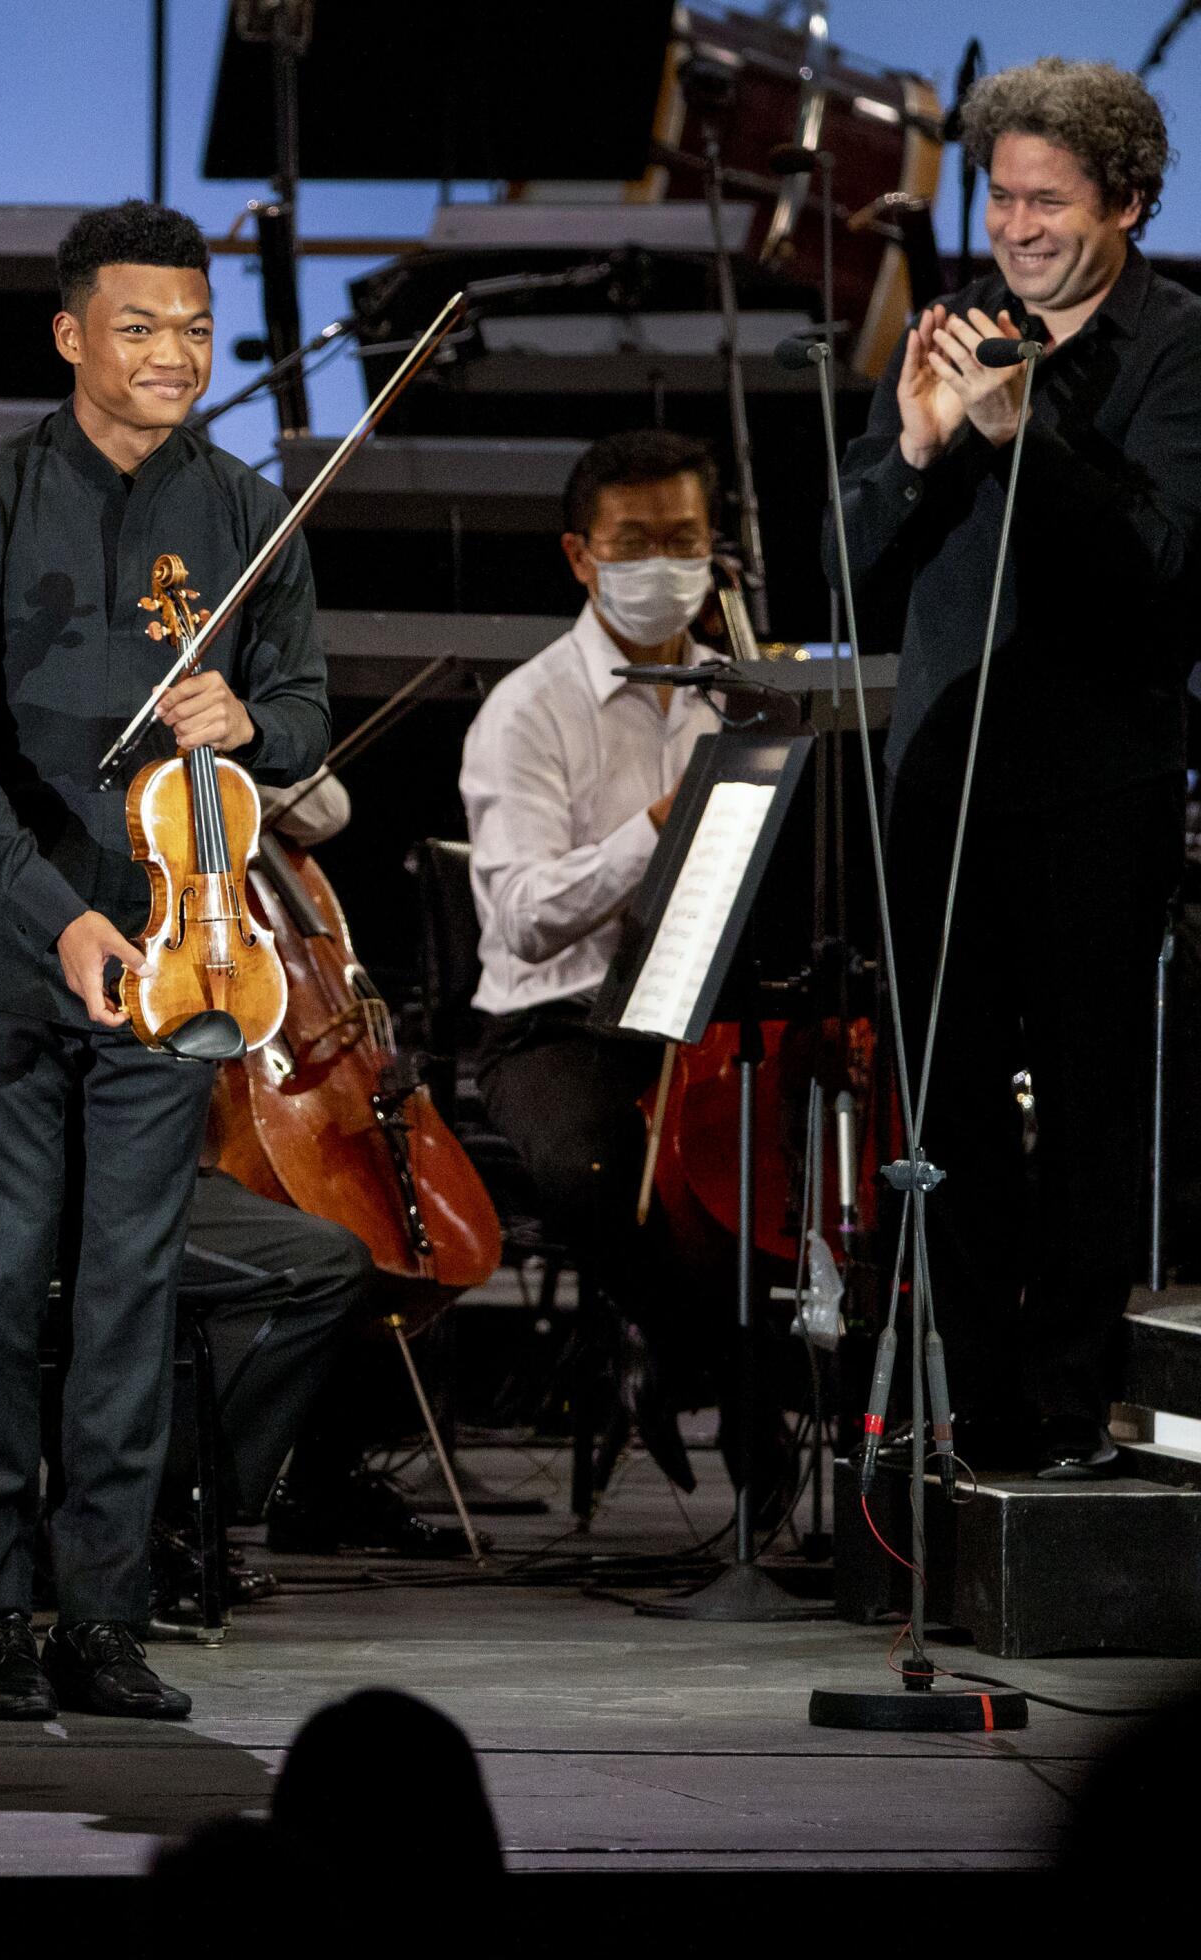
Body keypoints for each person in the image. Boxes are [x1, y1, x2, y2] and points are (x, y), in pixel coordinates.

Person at [0, 199, 328, 1720]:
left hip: (180, 951)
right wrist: (54, 914)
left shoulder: (250, 511)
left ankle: (104, 1611)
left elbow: (306, 706)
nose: (174, 355)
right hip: (12, 957)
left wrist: (253, 726)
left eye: (197, 329)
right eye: (139, 328)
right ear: (73, 335)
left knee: (132, 1295)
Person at [0, 558, 368, 1625]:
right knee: (308, 1264)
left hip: (33, 1121)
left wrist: (233, 722)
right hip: (7, 1143)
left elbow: (321, 793)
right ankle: (149, 1517)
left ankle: (120, 1530)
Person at [827, 59, 1201, 1477]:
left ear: (1131, 201)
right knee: (951, 1113)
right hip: (944, 783)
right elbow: (846, 574)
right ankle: (973, 1412)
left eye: (1050, 200)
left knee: (1089, 1114)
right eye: (1001, 195)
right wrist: (918, 450)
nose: (1018, 227)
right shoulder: (948, 331)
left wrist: (1026, 435)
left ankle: (1063, 1411)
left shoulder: (1177, 351)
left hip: (1097, 795)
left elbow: (1162, 576)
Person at [458, 430, 790, 1502]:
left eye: (684, 539)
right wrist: (657, 823)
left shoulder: (734, 693)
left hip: (704, 1008)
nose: (664, 564)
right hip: (557, 1019)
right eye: (634, 542)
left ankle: (687, 1356)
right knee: (597, 1165)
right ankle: (740, 1384)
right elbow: (519, 918)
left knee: (792, 1158)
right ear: (579, 555)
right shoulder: (526, 709)